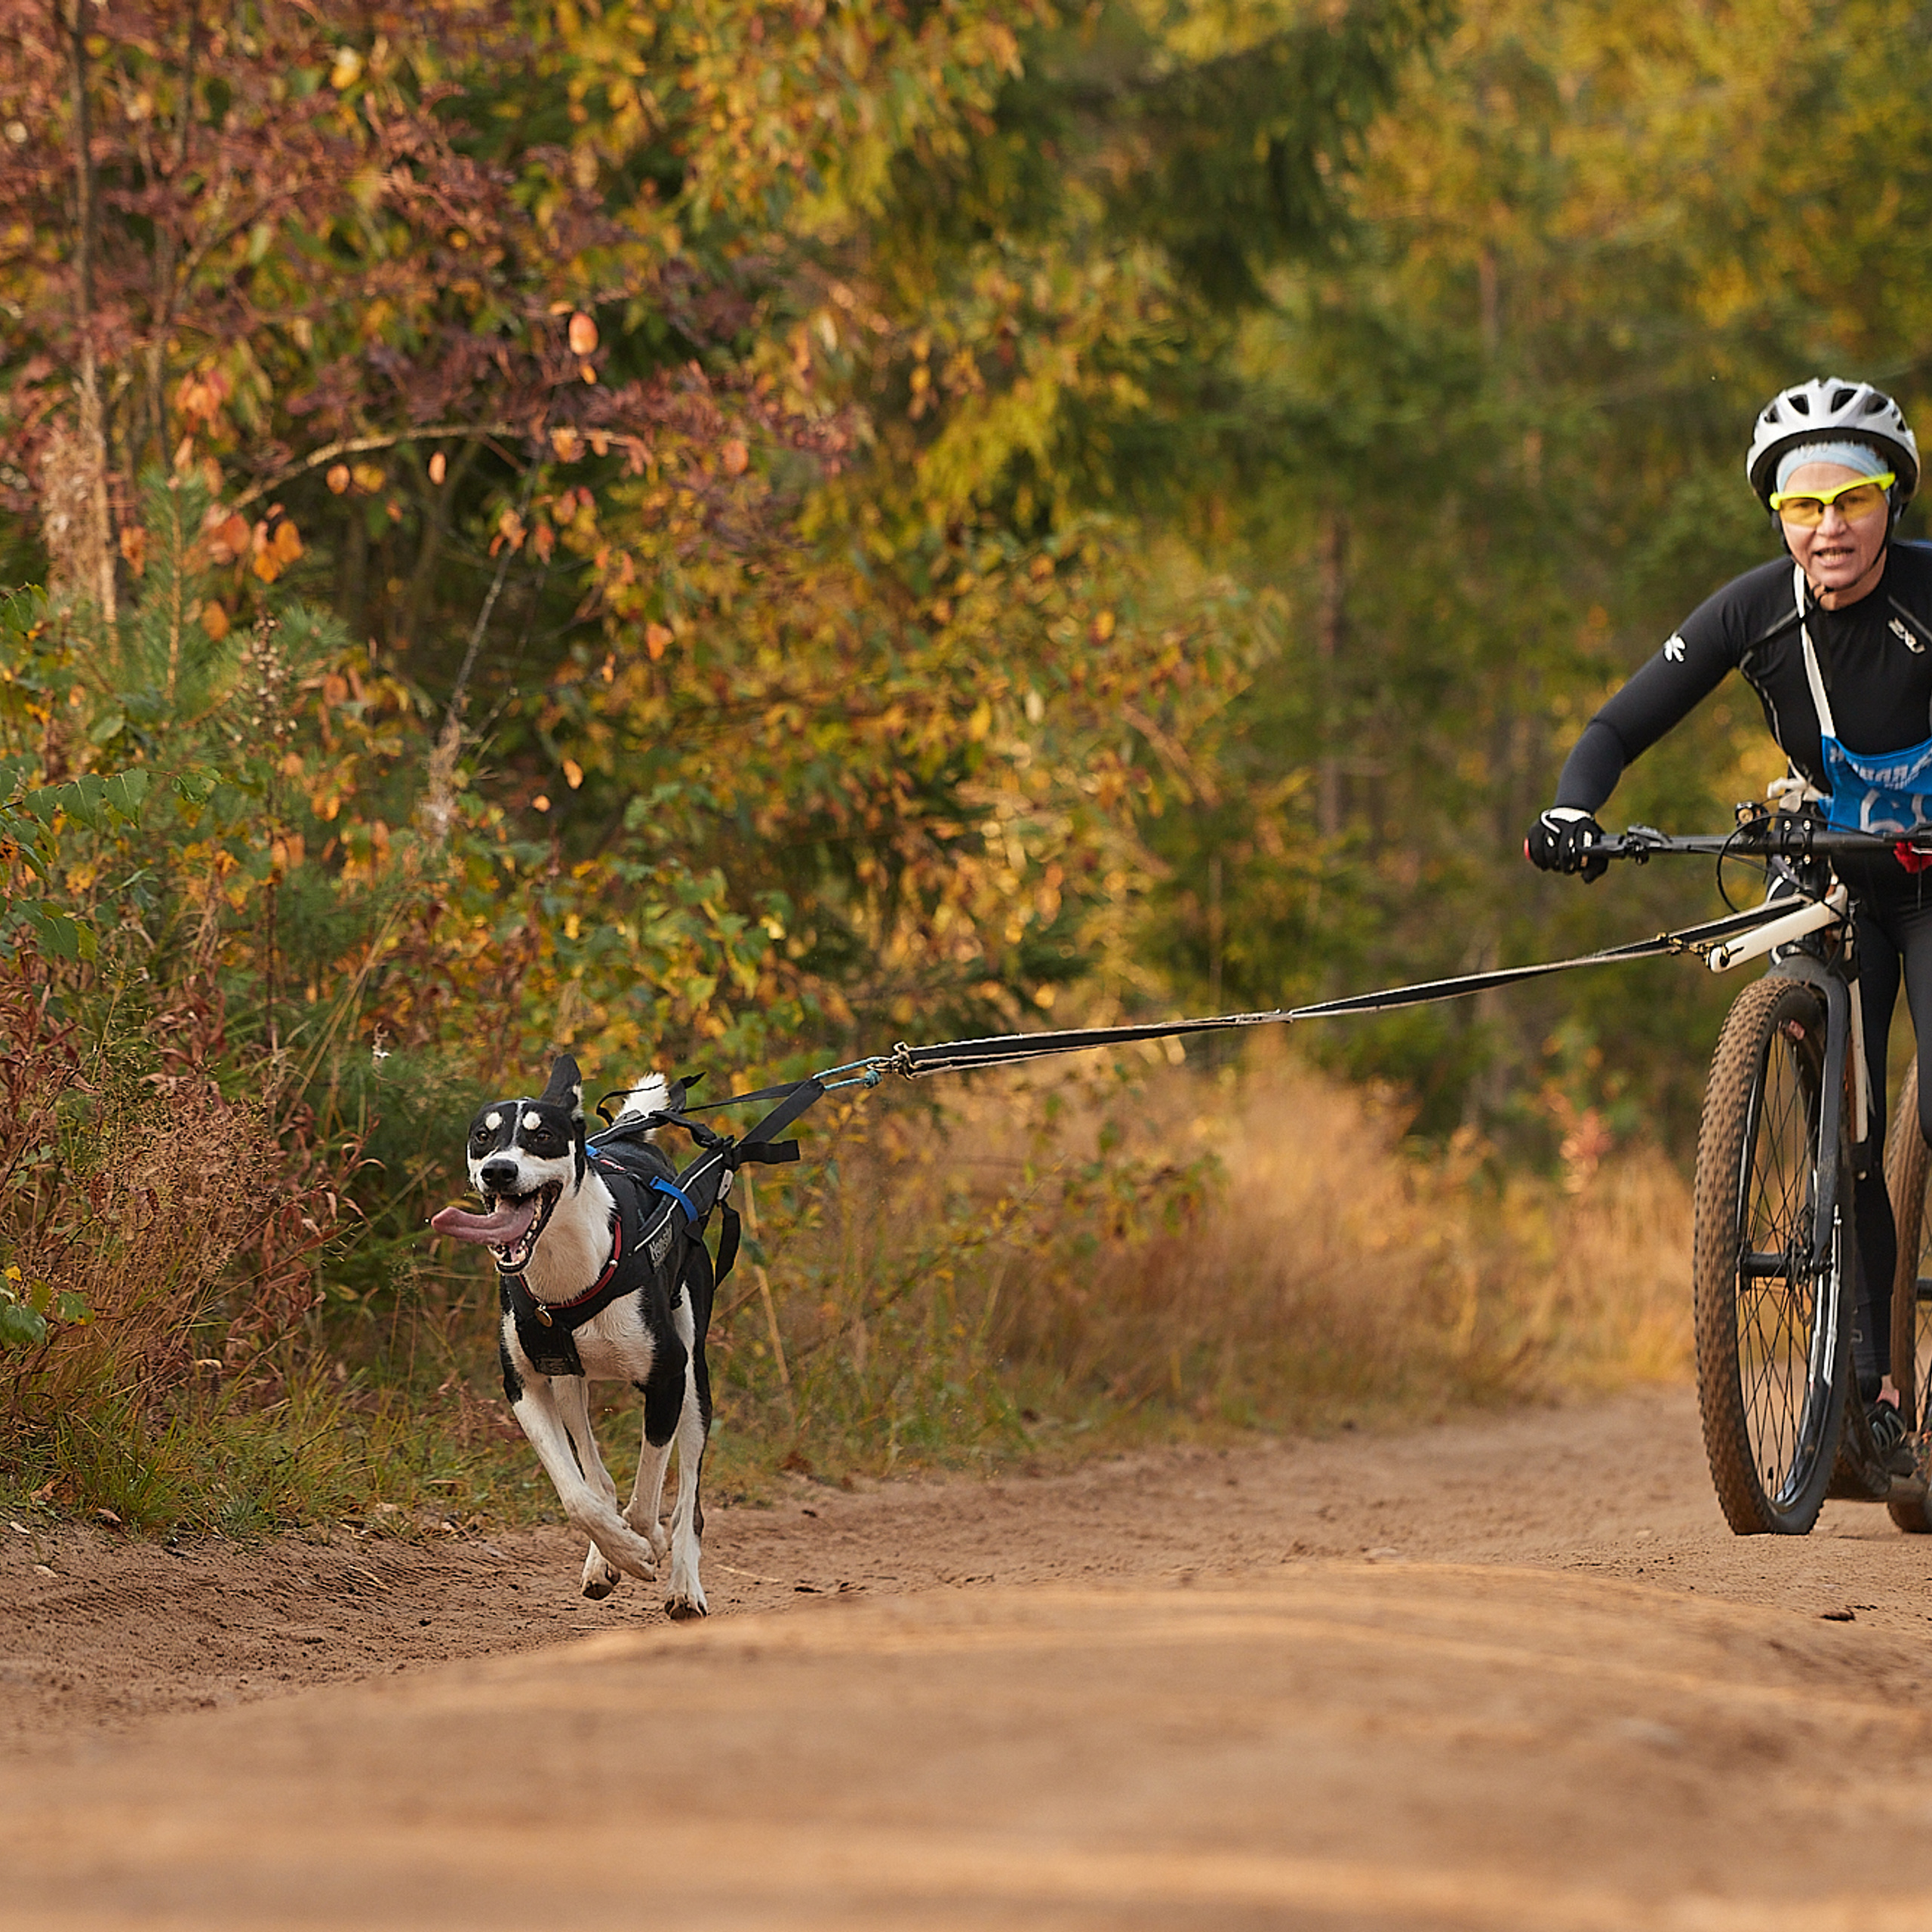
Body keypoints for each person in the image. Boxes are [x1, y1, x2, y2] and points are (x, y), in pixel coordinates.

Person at [1527, 377, 1932, 1460]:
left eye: (1853, 498)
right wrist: (1576, 808)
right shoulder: (1752, 611)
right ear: (1777, 517)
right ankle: (1872, 1392)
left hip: (1929, 876)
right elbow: (1620, 723)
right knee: (1842, 1133)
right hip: (1829, 870)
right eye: (1803, 505)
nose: (1829, 525)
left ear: (1893, 500)